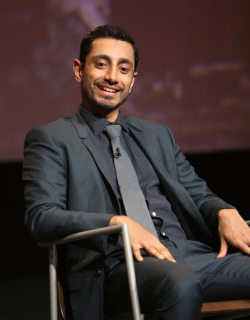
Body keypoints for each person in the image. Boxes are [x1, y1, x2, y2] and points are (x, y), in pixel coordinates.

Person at [23, 25, 250, 320]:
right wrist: (118, 223)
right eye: (101, 64)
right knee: (180, 282)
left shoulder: (157, 134)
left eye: (124, 69)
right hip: (115, 266)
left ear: (132, 81)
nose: (112, 77)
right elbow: (41, 217)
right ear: (79, 70)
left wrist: (224, 211)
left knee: (184, 276)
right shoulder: (52, 138)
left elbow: (198, 194)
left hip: (189, 255)